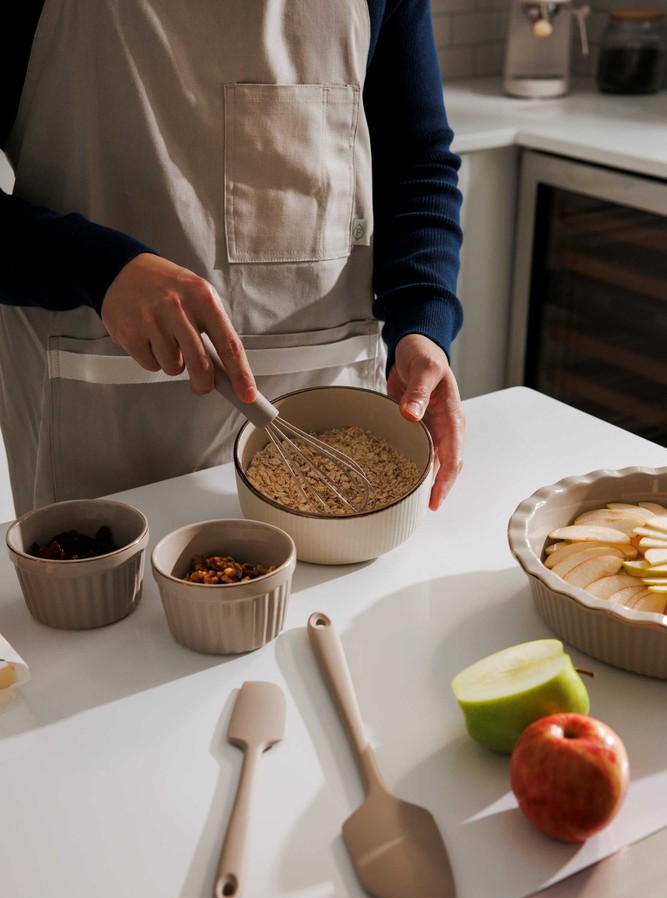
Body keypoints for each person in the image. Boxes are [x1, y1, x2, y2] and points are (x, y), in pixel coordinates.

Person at [0, 0, 465, 518]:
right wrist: (97, 267)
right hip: (101, 432)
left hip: (326, 430)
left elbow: (414, 161)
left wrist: (423, 323)